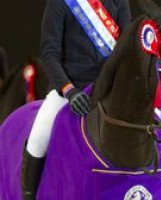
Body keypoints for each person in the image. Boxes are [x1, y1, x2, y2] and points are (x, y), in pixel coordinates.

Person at [21, 0, 131, 199]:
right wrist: (69, 90)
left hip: (110, 91)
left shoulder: (120, 2)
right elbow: (49, 54)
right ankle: (28, 196)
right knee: (37, 140)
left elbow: (127, 51)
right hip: (71, 90)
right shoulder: (60, 3)